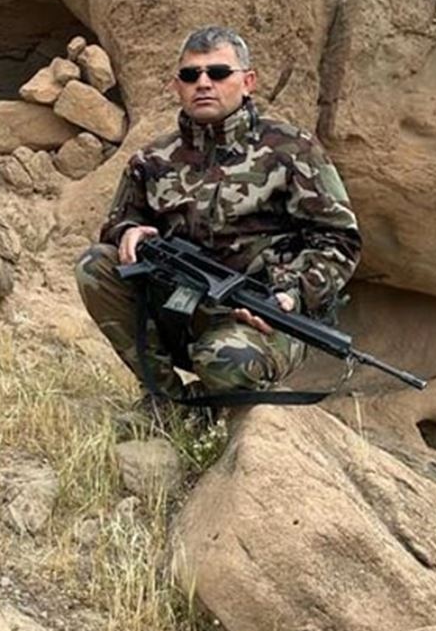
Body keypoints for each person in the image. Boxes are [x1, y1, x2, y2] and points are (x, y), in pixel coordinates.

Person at [74, 25, 361, 406]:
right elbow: (117, 224)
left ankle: (212, 400)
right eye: (191, 74)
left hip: (261, 316)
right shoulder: (152, 159)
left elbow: (340, 240)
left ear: (248, 82)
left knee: (225, 361)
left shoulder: (292, 150)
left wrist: (290, 291)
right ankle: (166, 401)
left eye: (219, 72)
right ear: (177, 85)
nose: (204, 83)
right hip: (178, 309)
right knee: (95, 265)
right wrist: (129, 233)